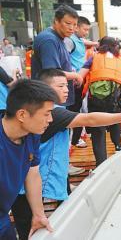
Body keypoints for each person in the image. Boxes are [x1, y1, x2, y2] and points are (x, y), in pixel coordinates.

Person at [11, 69, 121, 239]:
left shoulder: (50, 113)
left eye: (66, 85)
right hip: (33, 185)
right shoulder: (55, 113)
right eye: (60, 86)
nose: (67, 89)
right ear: (44, 90)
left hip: (42, 176)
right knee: (28, 228)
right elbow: (90, 119)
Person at [0, 80, 56, 239]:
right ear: (22, 115)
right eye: (46, 113)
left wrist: (38, 214)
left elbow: (32, 173)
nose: (50, 119)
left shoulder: (31, 135)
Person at [80, 36, 121, 166]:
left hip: (96, 100)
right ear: (115, 47)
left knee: (98, 129)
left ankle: (100, 162)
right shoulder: (119, 60)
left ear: (100, 46)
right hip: (116, 99)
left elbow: (81, 76)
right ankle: (118, 146)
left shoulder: (94, 58)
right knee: (115, 122)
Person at [31, 5, 83, 109]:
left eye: (75, 25)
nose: (72, 28)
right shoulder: (49, 40)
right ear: (56, 21)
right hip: (49, 99)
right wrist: (75, 75)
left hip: (55, 98)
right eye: (68, 23)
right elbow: (51, 73)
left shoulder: (59, 38)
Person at [64, 16, 92, 159]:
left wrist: (96, 43)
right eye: (85, 29)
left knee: (79, 108)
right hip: (73, 82)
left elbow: (84, 41)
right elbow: (64, 56)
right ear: (77, 28)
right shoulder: (70, 41)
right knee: (73, 111)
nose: (86, 32)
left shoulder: (79, 40)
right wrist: (73, 73)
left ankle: (76, 137)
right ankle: (71, 142)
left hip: (79, 81)